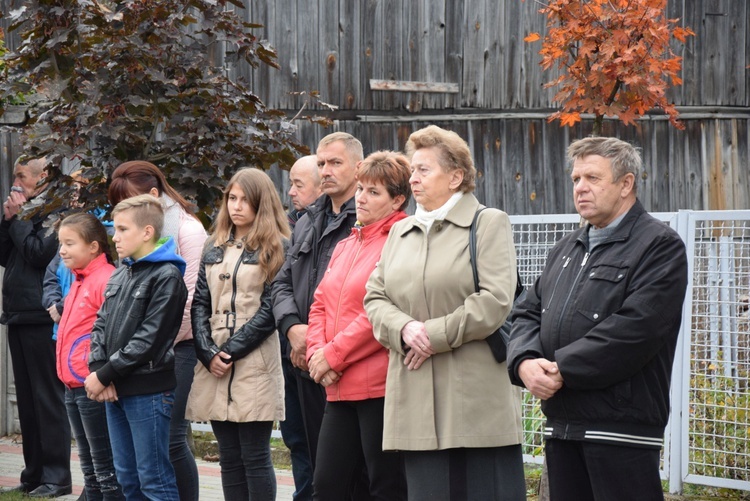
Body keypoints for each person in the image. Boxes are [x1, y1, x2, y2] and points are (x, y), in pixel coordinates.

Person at [507, 136, 689, 501]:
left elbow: (637, 329)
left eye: (592, 178)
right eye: (576, 179)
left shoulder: (660, 246)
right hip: (562, 425)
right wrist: (524, 362)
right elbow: (526, 311)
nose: (580, 188)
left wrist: (562, 369)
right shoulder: (566, 248)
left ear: (626, 184)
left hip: (620, 432)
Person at [364, 125, 526, 501]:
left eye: (424, 169)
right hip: (414, 394)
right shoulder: (400, 232)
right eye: (413, 169)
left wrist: (431, 336)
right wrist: (405, 330)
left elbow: (495, 300)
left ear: (456, 177)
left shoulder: (488, 222)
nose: (413, 178)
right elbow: (374, 298)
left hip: (473, 396)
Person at [306, 151, 410, 500]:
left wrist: (332, 357)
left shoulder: (401, 241)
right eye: (361, 189)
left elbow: (379, 312)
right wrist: (317, 354)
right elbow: (320, 302)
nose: (361, 198)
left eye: (374, 192)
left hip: (378, 387)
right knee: (327, 486)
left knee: (383, 487)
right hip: (337, 384)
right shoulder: (346, 244)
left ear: (398, 200)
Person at [187, 168, 289, 500]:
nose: (237, 206)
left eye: (246, 199)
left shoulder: (277, 246)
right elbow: (200, 301)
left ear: (262, 203)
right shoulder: (212, 244)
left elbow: (271, 309)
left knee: (254, 456)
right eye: (232, 198)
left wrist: (229, 351)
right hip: (213, 359)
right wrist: (206, 350)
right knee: (228, 457)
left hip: (254, 360)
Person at [107, 160, 206, 501]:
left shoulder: (188, 231)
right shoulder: (130, 253)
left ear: (153, 195)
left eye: (130, 199)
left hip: (176, 346)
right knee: (136, 463)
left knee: (171, 438)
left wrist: (150, 347)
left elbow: (189, 299)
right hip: (135, 355)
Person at [85, 194, 188, 501]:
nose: (114, 238)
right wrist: (98, 370)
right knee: (128, 479)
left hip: (148, 392)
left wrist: (105, 375)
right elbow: (100, 324)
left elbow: (149, 338)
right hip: (116, 388)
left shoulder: (167, 276)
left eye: (122, 229)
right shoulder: (122, 272)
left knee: (153, 479)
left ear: (146, 232)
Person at [272, 132, 362, 474]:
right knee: (314, 464)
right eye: (322, 163)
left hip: (346, 362)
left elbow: (362, 298)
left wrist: (317, 342)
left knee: (353, 474)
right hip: (305, 360)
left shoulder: (365, 221)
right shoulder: (307, 221)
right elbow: (281, 283)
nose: (326, 170)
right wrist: (293, 328)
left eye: (335, 163)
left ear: (358, 168)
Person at [0, 157, 73, 498]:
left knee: (47, 399)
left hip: (43, 317)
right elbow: (6, 254)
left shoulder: (58, 211)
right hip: (18, 315)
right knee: (28, 401)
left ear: (43, 177)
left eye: (21, 176)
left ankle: (57, 477)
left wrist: (18, 220)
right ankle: (33, 474)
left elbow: (38, 253)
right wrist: (7, 220)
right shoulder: (26, 213)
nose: (15, 182)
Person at [55, 213, 124, 500]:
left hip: (93, 386)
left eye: (70, 243)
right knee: (90, 467)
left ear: (93, 247)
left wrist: (102, 375)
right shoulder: (78, 279)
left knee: (105, 468)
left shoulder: (105, 278)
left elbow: (110, 336)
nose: (62, 250)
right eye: (61, 243)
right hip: (73, 385)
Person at [281, 154, 322, 501]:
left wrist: (307, 335)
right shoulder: (293, 225)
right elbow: (281, 286)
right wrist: (292, 328)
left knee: (325, 446)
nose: (290, 191)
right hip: (290, 351)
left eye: (298, 184)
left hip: (322, 353)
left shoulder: (334, 226)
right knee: (295, 438)